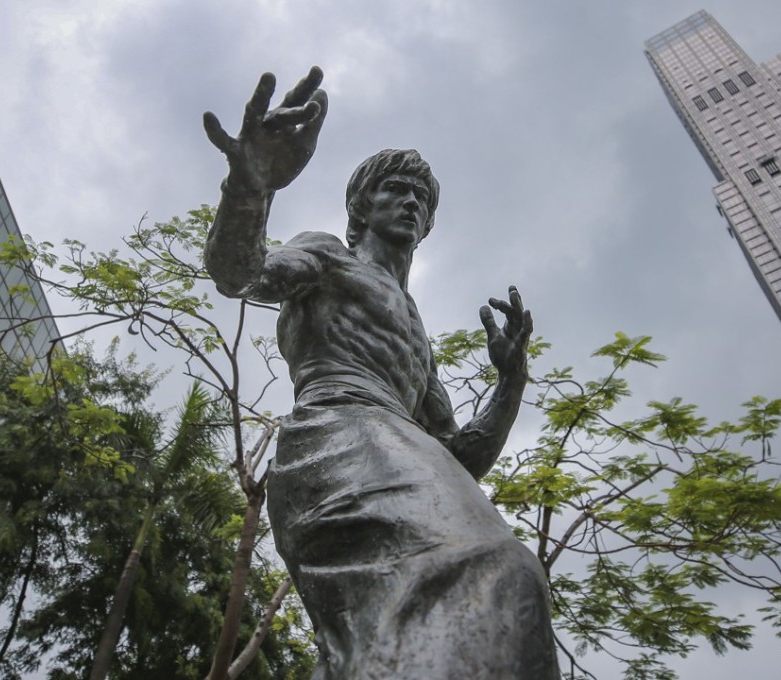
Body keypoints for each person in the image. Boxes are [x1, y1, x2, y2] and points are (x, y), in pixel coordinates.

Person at [203, 67, 559, 680]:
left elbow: (461, 454)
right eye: (397, 190)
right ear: (362, 207)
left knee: (396, 631)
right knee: (494, 570)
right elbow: (240, 272)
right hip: (339, 432)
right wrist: (251, 187)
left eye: (422, 200)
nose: (413, 202)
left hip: (397, 442)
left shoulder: (418, 336)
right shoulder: (327, 256)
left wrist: (510, 381)